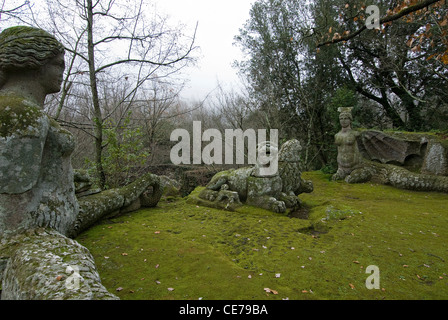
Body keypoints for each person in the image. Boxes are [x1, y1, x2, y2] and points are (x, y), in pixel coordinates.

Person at [0, 26, 78, 236]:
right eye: (57, 64)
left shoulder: (27, 113)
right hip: (39, 234)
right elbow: (12, 216)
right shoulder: (22, 115)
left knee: (124, 197)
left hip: (56, 220)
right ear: (34, 63)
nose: (62, 72)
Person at [332, 107, 361, 181]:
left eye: (346, 118)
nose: (343, 121)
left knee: (351, 180)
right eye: (341, 119)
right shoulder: (337, 135)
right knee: (335, 178)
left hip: (355, 166)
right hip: (341, 167)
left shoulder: (355, 134)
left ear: (350, 120)